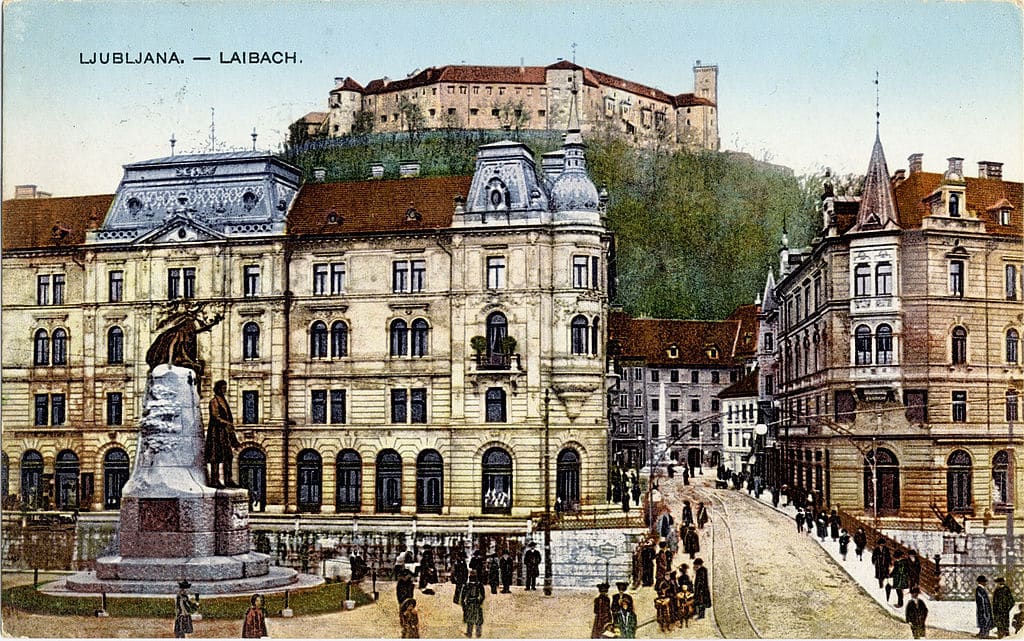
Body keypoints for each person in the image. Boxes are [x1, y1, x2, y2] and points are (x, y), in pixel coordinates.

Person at [206, 380, 241, 488]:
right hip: (216, 433)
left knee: (228, 456)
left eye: (225, 387)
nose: (225, 390)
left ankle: (228, 479)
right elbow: (215, 417)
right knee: (215, 457)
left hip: (225, 433)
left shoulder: (223, 400)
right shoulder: (214, 401)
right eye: (223, 388)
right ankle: (215, 480)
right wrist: (227, 423)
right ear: (218, 388)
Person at [461, 572, 486, 638]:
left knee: (470, 619)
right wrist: (480, 602)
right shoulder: (479, 585)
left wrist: (463, 605)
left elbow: (463, 596)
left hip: (469, 603)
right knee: (478, 619)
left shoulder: (467, 585)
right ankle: (478, 633)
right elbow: (483, 595)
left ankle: (469, 633)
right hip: (476, 603)